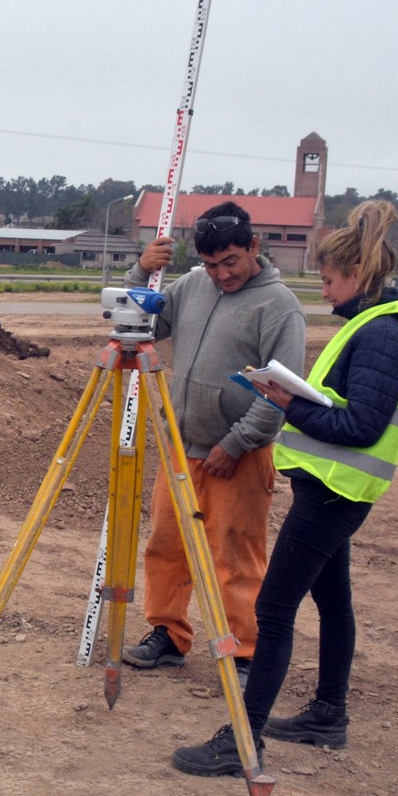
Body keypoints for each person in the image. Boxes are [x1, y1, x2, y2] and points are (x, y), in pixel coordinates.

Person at [172, 199, 398, 776]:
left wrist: (285, 403)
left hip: (334, 493)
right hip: (330, 488)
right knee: (332, 601)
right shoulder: (377, 323)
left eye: (328, 279)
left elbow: (360, 426)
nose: (324, 291)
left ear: (357, 275)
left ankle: (244, 740)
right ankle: (327, 715)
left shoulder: (388, 333)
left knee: (273, 608)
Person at [120, 201, 307, 686]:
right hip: (184, 448)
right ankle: (167, 632)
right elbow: (139, 323)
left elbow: (281, 391)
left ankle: (244, 653)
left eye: (230, 262)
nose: (221, 274)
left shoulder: (279, 306)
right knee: (168, 545)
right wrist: (142, 270)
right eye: (210, 264)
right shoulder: (191, 287)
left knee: (234, 555)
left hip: (238, 455)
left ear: (253, 247)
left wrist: (238, 442)